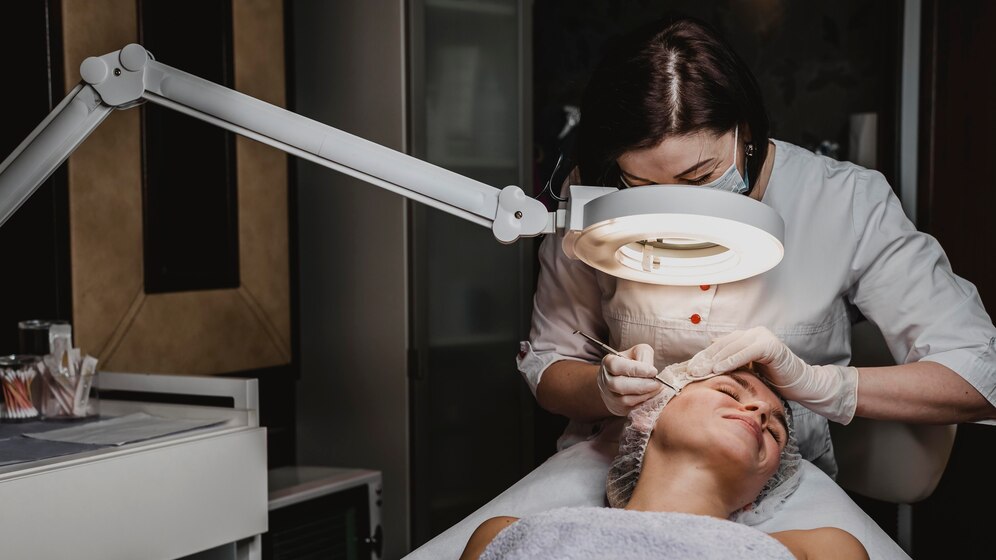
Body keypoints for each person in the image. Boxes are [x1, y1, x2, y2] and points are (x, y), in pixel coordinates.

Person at [517, 15, 996, 478]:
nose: (680, 212)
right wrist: (601, 390)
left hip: (774, 483)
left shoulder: (844, 201)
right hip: (610, 465)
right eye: (642, 185)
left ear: (745, 132)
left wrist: (823, 386)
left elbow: (980, 375)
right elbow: (550, 362)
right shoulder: (594, 195)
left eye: (699, 177)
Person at [461, 366, 868, 559]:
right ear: (649, 418)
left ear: (760, 492)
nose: (760, 411)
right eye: (729, 391)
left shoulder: (824, 550)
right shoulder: (505, 533)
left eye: (775, 431)